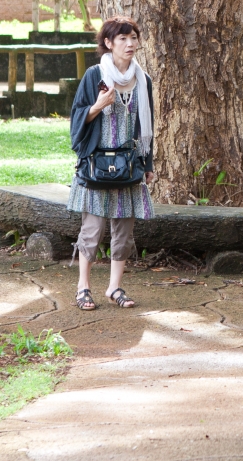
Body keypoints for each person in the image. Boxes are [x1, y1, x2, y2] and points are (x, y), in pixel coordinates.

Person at [67, 16, 157, 310]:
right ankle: (83, 287)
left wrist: (148, 165)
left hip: (129, 165)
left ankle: (115, 287)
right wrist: (97, 106)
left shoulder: (143, 81)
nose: (130, 44)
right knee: (92, 230)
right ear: (108, 43)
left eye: (133, 38)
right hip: (97, 165)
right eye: (123, 39)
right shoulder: (95, 76)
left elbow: (148, 126)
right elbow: (77, 121)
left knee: (124, 231)